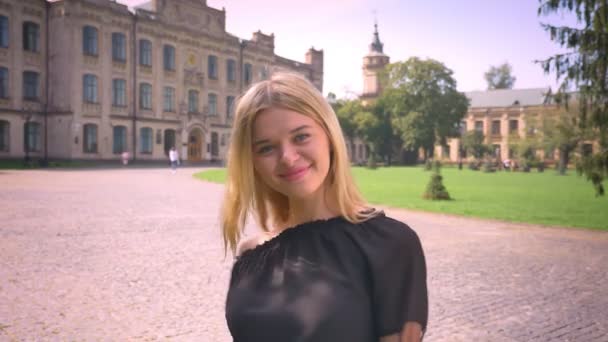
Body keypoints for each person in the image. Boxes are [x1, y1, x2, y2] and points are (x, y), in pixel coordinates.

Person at [221, 72, 428, 342]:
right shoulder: (250, 257)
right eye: (266, 148)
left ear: (329, 136)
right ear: (252, 163)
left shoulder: (390, 245)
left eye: (301, 137)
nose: (288, 157)